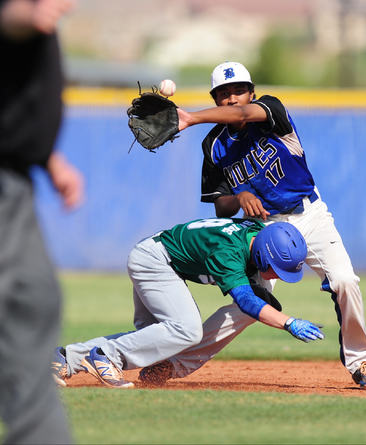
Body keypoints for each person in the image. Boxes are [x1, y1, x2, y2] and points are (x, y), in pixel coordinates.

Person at [141, 61, 366, 389]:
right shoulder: (213, 145)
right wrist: (239, 195)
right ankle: (174, 365)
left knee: (344, 280)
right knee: (248, 303)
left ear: (251, 92)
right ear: (216, 99)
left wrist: (191, 117)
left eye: (239, 90)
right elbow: (221, 206)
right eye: (224, 94)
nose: (232, 99)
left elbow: (243, 116)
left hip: (309, 216)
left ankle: (362, 363)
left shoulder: (271, 110)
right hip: (262, 230)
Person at [52, 218, 325, 388]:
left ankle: (65, 357)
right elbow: (245, 301)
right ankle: (106, 356)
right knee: (186, 329)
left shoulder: (256, 234)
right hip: (155, 261)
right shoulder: (229, 253)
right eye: (278, 268)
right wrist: (289, 323)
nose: (279, 275)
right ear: (264, 256)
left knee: (151, 339)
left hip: (157, 255)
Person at [0, 0, 83, 443]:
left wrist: (48, 158)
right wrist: (26, 13)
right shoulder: (27, 12)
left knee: (36, 300)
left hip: (15, 178)